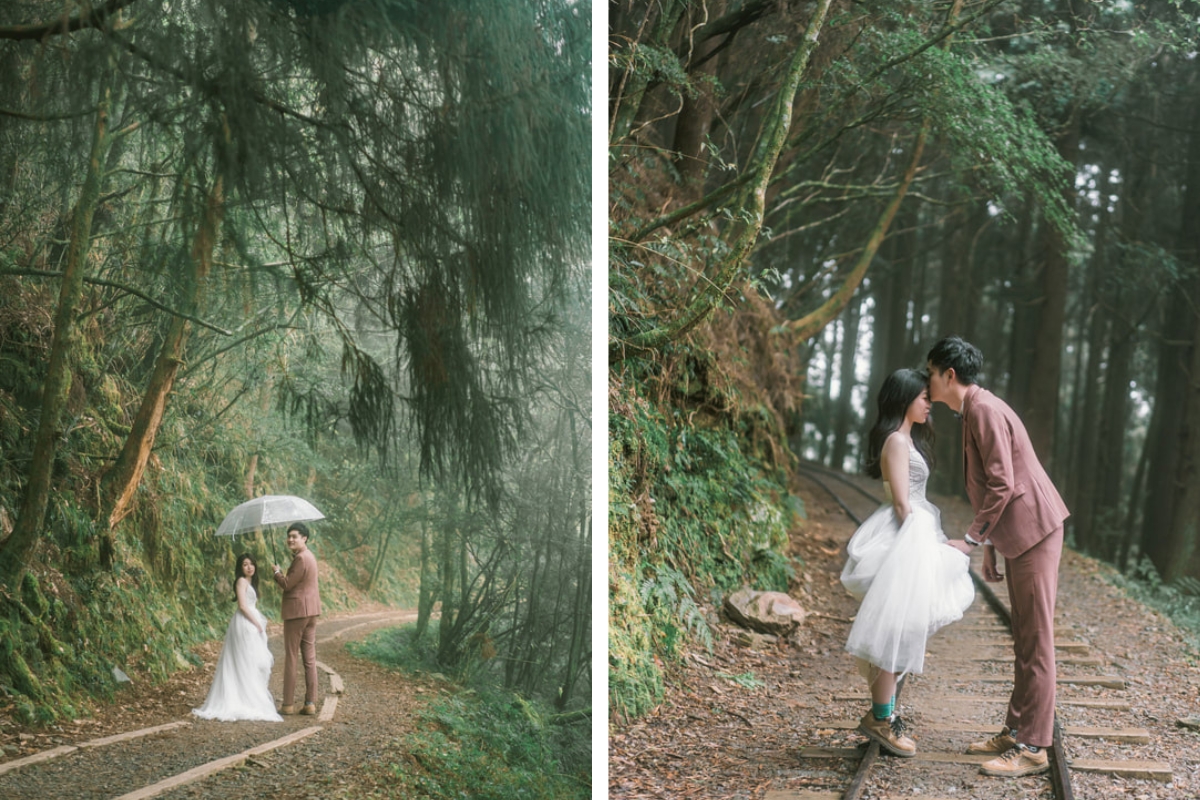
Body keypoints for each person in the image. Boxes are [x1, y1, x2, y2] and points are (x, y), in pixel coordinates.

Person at [927, 335, 1070, 778]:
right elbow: (996, 485)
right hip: (1021, 534)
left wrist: (970, 540)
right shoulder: (975, 409)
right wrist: (991, 546)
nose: (927, 382)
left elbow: (1003, 484)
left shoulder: (984, 410)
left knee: (1036, 640)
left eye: (930, 373)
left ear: (949, 375)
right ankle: (1016, 730)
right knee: (1024, 637)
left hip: (1035, 531)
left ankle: (1033, 748)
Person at [841, 368, 975, 757]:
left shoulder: (905, 439)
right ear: (904, 399)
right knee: (895, 627)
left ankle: (883, 714)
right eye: (922, 397)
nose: (928, 403)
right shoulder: (897, 442)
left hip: (914, 533)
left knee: (899, 626)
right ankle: (882, 718)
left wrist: (935, 541)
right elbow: (902, 504)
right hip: (904, 537)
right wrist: (926, 548)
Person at [193, 553, 282, 722]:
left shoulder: (250, 582)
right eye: (245, 565)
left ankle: (248, 695)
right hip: (245, 623)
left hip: (251, 621)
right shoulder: (241, 581)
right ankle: (243, 698)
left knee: (253, 661)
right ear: (240, 568)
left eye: (251, 564)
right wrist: (256, 623)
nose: (249, 567)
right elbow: (242, 605)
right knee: (245, 660)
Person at [272, 522, 321, 715]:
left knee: (292, 656)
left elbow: (287, 584)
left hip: (297, 612)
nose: (290, 539)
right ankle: (310, 702)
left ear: (304, 538)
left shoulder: (301, 558)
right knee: (309, 657)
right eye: (289, 536)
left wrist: (277, 572)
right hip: (311, 612)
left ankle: (288, 704)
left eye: (294, 536)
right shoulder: (310, 556)